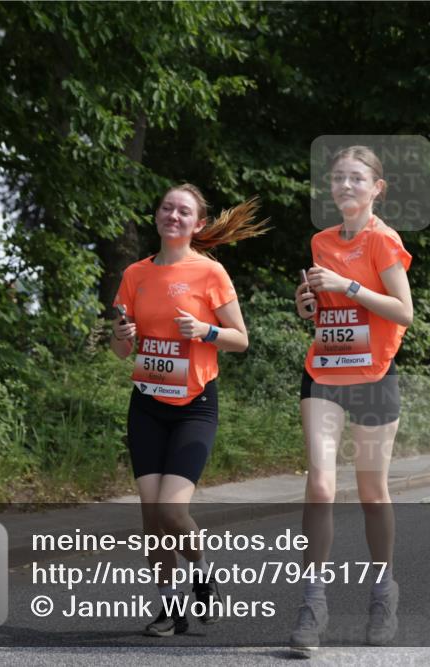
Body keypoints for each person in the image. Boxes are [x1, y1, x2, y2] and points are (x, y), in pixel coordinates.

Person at [111, 184, 266, 636]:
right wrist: (121, 334)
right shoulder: (135, 274)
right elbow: (122, 350)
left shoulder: (210, 272)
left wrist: (204, 330)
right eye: (166, 208)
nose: (172, 216)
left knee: (172, 512)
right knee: (151, 517)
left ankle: (202, 575)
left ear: (198, 224)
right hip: (146, 404)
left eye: (183, 211)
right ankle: (170, 609)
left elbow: (240, 339)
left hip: (194, 406)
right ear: (157, 216)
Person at [291, 146, 413, 652]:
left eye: (356, 178)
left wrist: (349, 285)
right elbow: (324, 309)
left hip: (373, 377)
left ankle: (383, 593)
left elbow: (403, 311)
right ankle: (312, 604)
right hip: (324, 372)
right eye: (338, 178)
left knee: (371, 492)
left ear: (376, 188)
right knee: (320, 486)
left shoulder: (383, 240)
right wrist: (307, 304)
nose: (345, 185)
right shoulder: (320, 241)